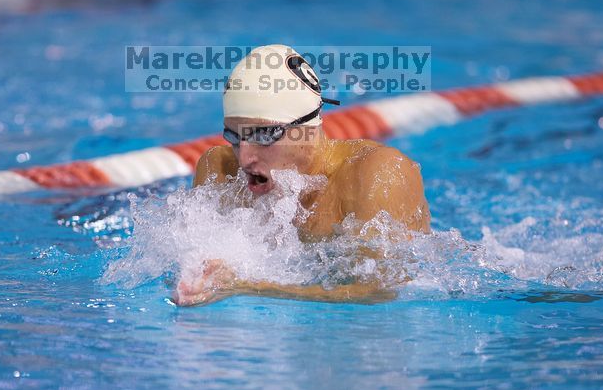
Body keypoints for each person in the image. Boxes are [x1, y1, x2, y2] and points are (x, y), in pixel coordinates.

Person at [174, 45, 430, 306]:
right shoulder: (219, 170)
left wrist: (247, 287)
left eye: (263, 135)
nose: (244, 158)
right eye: (234, 136)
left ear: (307, 127)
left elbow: (380, 292)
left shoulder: (375, 175)